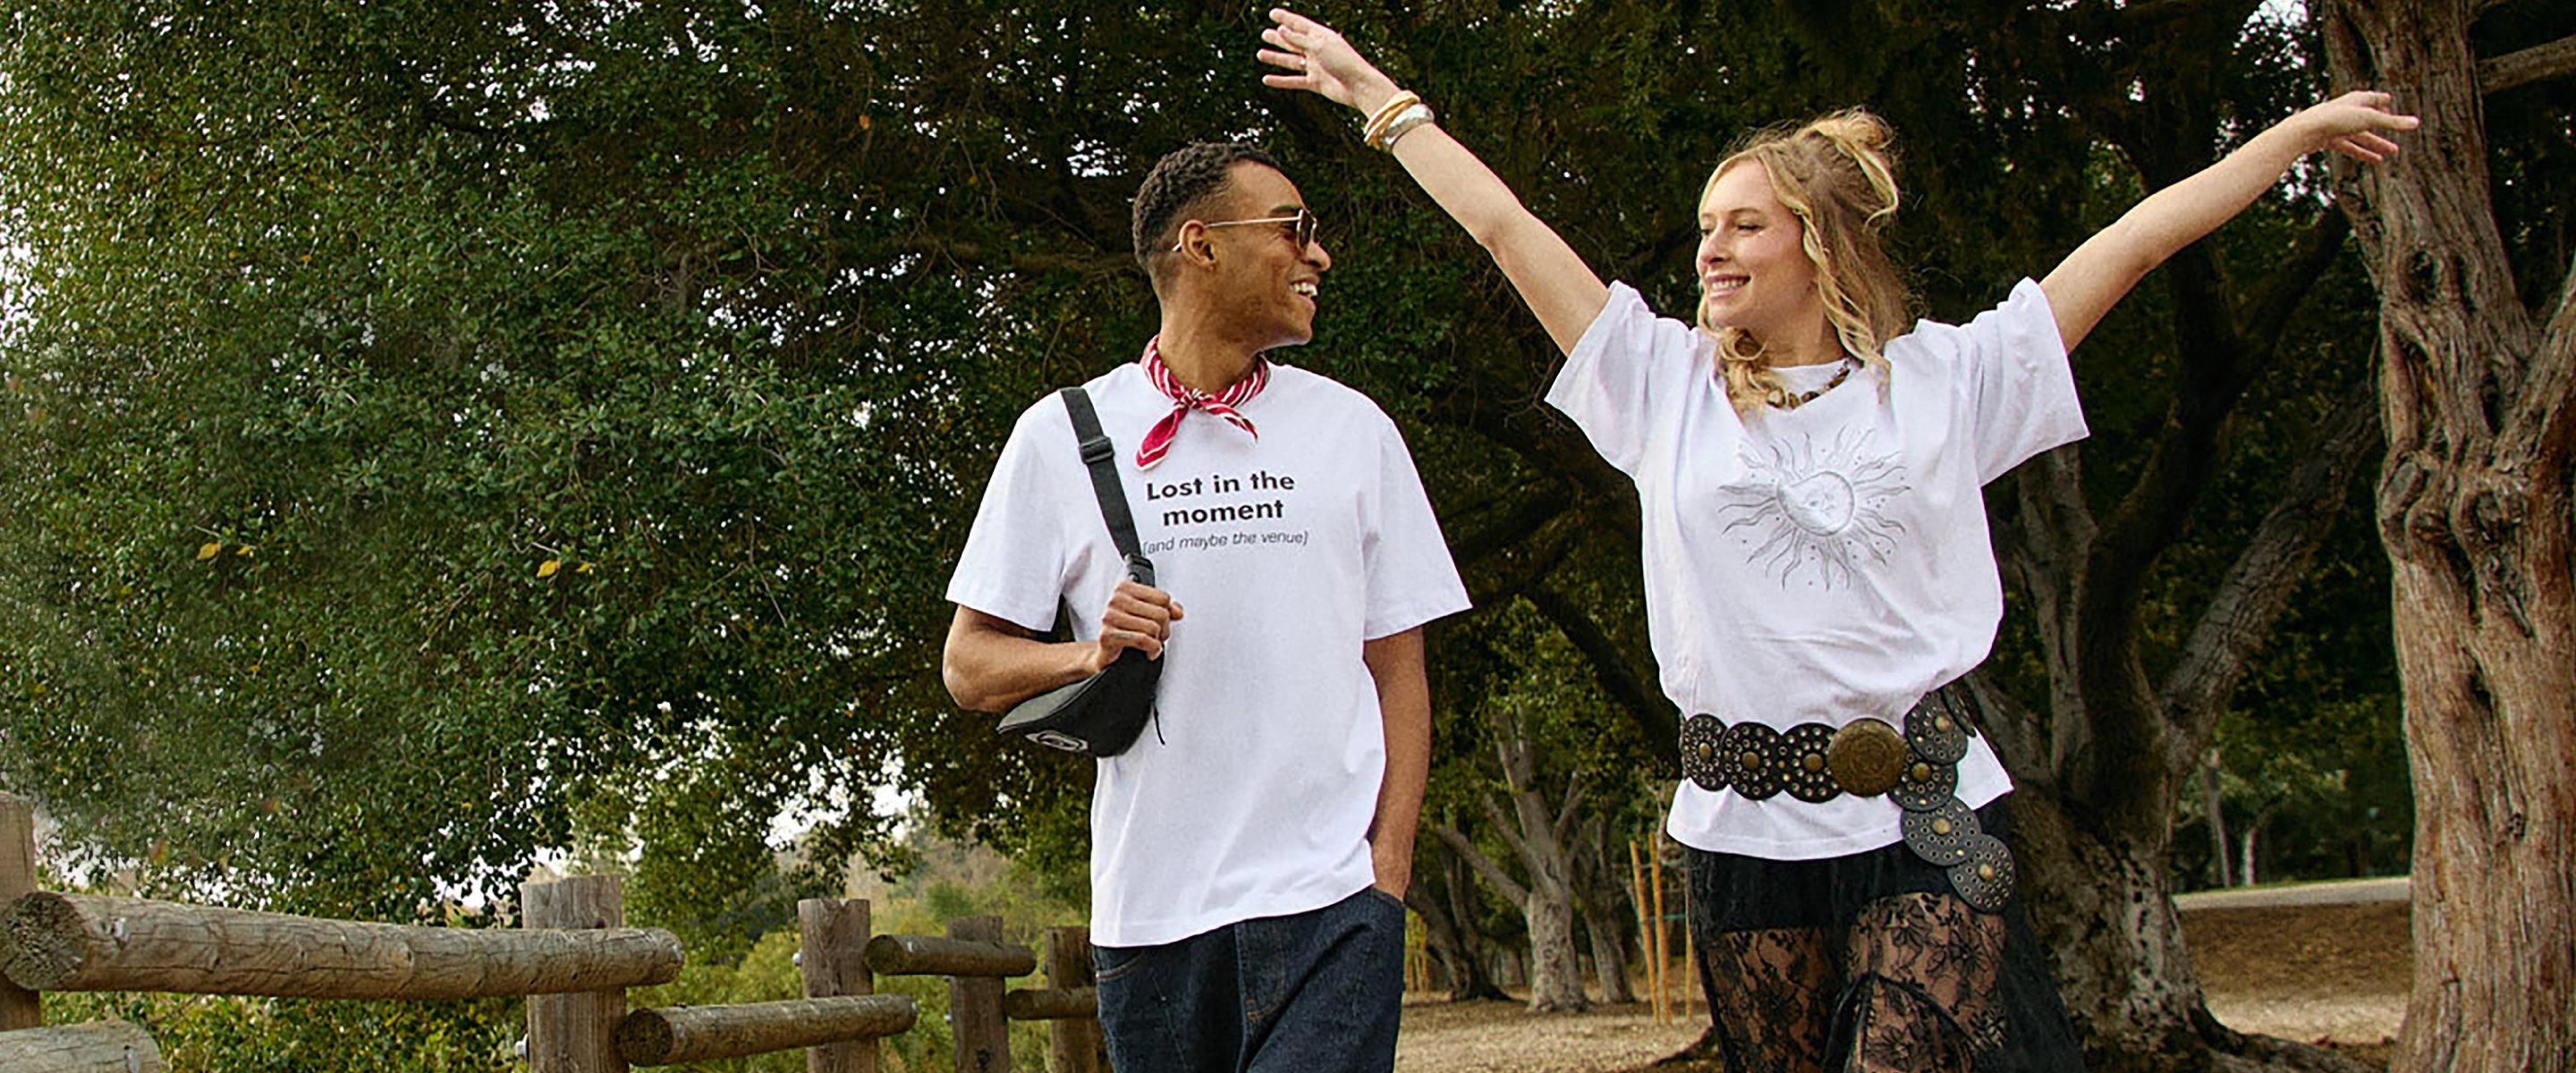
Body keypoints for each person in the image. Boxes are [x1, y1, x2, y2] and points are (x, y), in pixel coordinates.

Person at [1258, 9, 2416, 1070]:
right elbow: (1507, 230)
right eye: (1706, 225)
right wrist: (1380, 101)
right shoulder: (1662, 388)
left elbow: (2131, 246)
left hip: (1921, 814)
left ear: (1819, 241)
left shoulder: (1951, 381)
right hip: (1741, 830)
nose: (1710, 248)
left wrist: (2293, 138)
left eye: (1744, 225)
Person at [941, 140, 1471, 1073]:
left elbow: (1399, 670)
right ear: (1202, 245)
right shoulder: (1061, 436)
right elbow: (969, 666)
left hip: (1331, 907)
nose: (1318, 255)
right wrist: (1086, 654)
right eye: (1292, 229)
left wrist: (1386, 873)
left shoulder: (1355, 431)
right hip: (1152, 917)